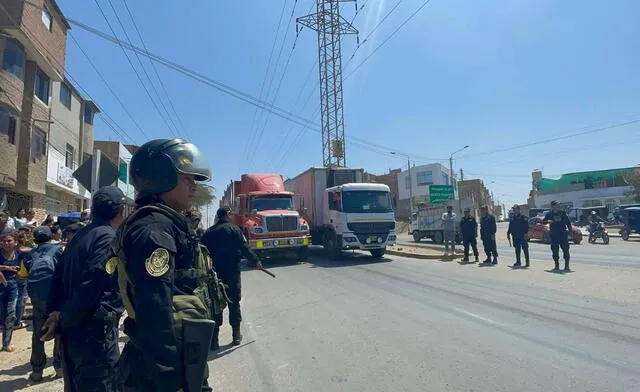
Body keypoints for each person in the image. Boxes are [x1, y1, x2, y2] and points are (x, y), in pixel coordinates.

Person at [111, 138, 216, 392]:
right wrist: (170, 378)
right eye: (186, 179)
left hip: (178, 355)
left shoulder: (166, 223)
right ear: (161, 177)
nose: (193, 186)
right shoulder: (154, 231)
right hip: (159, 370)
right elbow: (155, 309)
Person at [42, 186, 127, 391]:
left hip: (74, 332)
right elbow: (91, 284)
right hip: (93, 336)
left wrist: (55, 314)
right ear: (121, 211)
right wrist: (62, 317)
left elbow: (58, 278)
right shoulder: (108, 238)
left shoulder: (81, 235)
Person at [201, 206, 262, 350]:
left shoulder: (209, 232)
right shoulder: (234, 230)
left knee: (216, 306)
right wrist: (256, 261)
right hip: (232, 274)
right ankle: (236, 336)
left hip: (214, 276)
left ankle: (214, 341)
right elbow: (244, 248)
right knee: (234, 304)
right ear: (228, 214)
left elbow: (201, 252)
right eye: (231, 214)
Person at [22, 226, 64, 382]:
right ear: (51, 237)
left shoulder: (29, 255)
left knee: (38, 334)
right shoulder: (59, 251)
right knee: (60, 330)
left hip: (38, 299)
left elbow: (22, 275)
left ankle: (37, 370)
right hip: (57, 297)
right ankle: (59, 367)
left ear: (34, 240)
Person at [0, 230, 26, 352]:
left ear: (15, 242)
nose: (6, 243)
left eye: (9, 240)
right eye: (3, 241)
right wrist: (5, 268)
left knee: (10, 316)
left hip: (13, 288)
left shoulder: (19, 254)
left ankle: (6, 343)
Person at [543, 201, 572, 271]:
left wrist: (570, 232)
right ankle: (557, 265)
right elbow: (543, 221)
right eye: (556, 205)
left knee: (566, 250)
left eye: (558, 205)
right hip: (554, 234)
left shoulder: (563, 213)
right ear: (552, 206)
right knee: (555, 250)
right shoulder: (549, 214)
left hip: (563, 234)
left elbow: (568, 222)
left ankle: (567, 266)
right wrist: (548, 221)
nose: (558, 207)